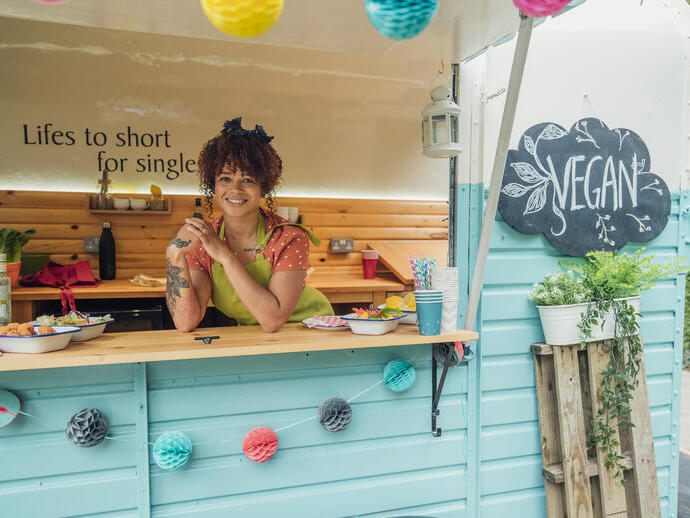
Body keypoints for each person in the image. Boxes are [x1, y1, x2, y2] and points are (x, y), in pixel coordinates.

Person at [165, 118, 334, 332]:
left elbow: (272, 321)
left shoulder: (288, 238)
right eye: (225, 178)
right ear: (213, 185)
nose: (235, 189)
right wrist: (174, 254)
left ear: (263, 187)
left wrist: (224, 255)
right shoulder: (203, 240)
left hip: (311, 331)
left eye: (247, 180)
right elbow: (186, 322)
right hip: (255, 337)